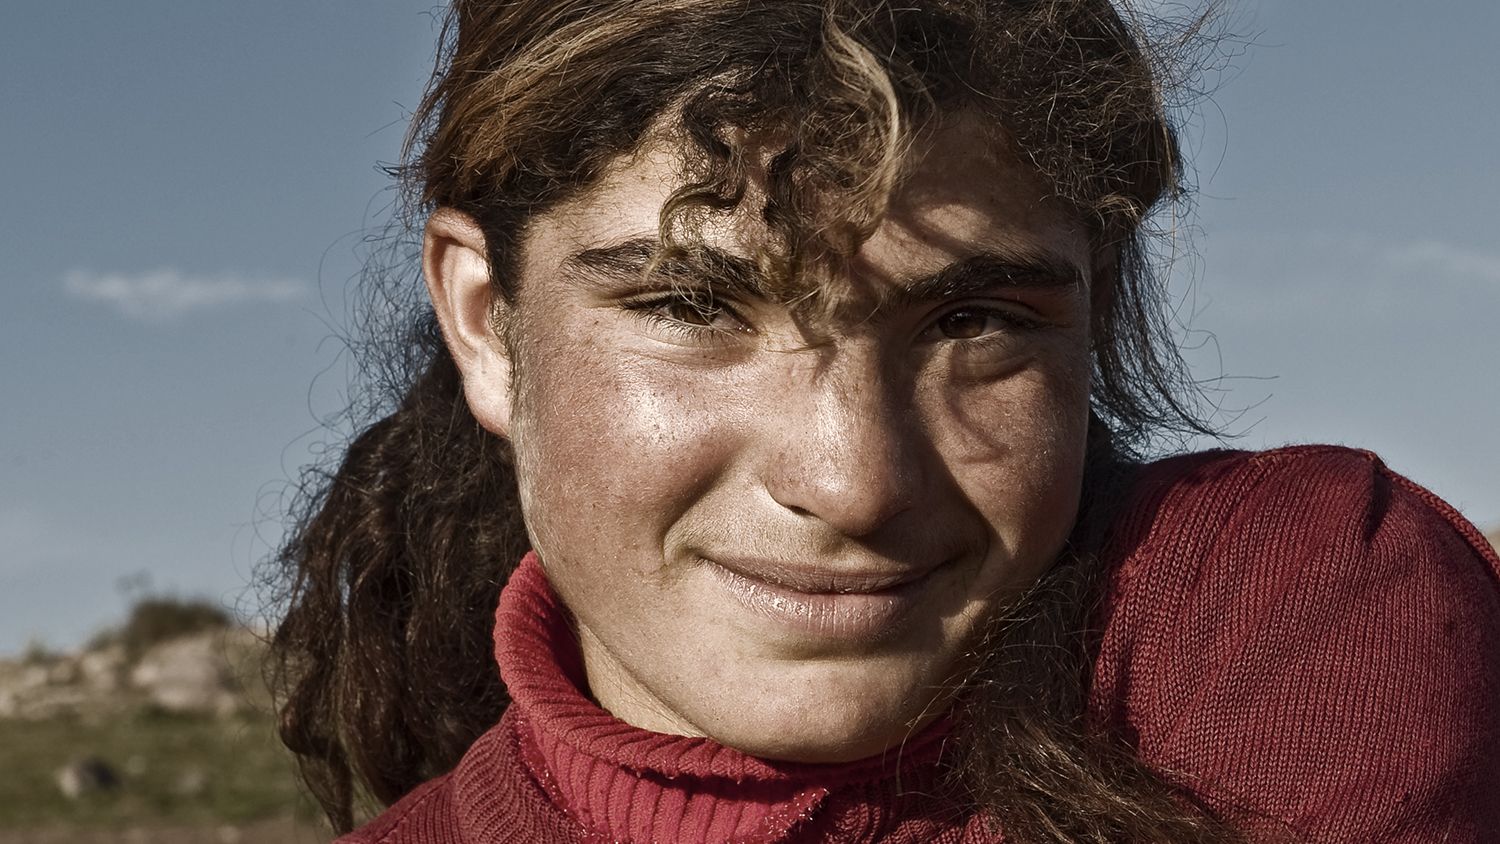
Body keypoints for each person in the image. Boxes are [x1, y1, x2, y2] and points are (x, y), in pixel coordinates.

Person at [268, 1, 1500, 841]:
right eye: (695, 305)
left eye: (975, 322)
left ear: (1097, 310)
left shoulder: (1293, 613)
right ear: (487, 322)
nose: (852, 477)